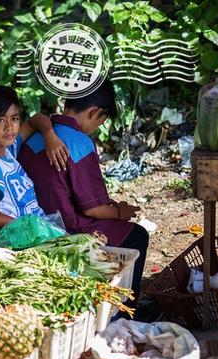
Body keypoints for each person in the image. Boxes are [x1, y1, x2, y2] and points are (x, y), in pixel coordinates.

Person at [18, 80, 148, 302]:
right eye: (100, 122)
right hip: (70, 228)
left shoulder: (33, 137)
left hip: (34, 224)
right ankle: (128, 308)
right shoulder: (80, 143)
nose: (96, 128)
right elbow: (94, 209)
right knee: (138, 235)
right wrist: (120, 212)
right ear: (95, 112)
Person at [0, 85, 67, 229]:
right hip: (21, 235)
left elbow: (36, 119)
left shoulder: (6, 149)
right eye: (0, 120)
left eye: (14, 118)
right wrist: (36, 227)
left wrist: (49, 135)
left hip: (38, 227)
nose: (9, 126)